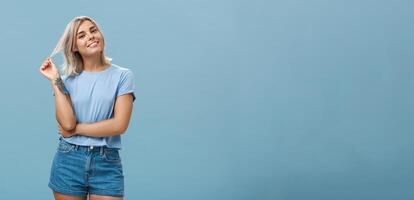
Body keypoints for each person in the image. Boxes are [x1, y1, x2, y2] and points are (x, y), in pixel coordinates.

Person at [39, 16, 135, 200]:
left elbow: (119, 125)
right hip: (69, 159)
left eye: (93, 30)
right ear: (74, 46)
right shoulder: (65, 81)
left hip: (106, 161)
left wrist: (77, 130)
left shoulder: (123, 76)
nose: (91, 36)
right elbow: (66, 123)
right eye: (81, 35)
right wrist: (55, 80)